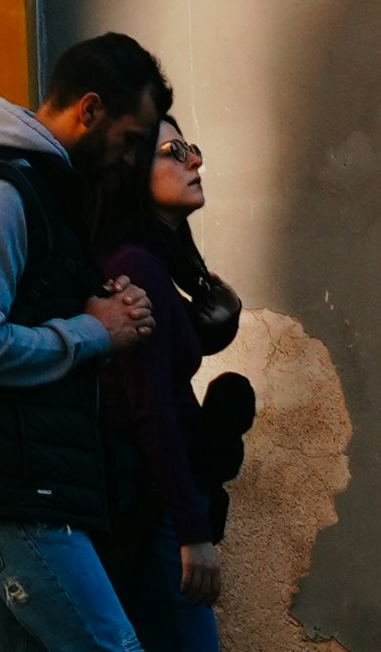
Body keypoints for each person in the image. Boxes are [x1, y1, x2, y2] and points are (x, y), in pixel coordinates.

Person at [0, 37, 171, 652]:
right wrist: (93, 330)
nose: (135, 160)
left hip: (29, 479)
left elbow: (35, 311)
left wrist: (100, 307)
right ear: (89, 111)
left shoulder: (49, 193)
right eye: (132, 139)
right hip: (10, 486)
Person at [88, 109, 243, 652]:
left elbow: (152, 374)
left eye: (191, 148)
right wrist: (192, 530)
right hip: (155, 513)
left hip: (152, 507)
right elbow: (150, 406)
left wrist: (205, 333)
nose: (194, 160)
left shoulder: (152, 259)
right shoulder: (140, 265)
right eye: (174, 153)